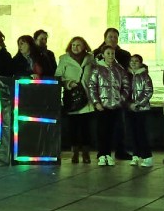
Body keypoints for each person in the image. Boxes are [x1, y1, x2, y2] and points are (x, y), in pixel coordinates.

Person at [55, 36, 96, 164]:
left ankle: (86, 153)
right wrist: (68, 83)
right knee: (73, 127)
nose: (75, 47)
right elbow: (58, 77)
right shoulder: (64, 59)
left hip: (87, 97)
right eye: (73, 45)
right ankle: (75, 153)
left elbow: (96, 75)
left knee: (86, 127)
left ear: (84, 46)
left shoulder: (90, 59)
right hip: (72, 98)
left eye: (78, 45)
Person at [86, 47, 130, 166]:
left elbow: (126, 85)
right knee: (102, 131)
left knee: (112, 131)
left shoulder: (119, 69)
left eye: (112, 53)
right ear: (103, 55)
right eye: (108, 53)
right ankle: (102, 154)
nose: (110, 55)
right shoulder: (97, 69)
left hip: (116, 105)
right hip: (102, 106)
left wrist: (121, 99)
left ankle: (109, 155)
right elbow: (92, 86)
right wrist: (96, 102)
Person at [127, 54, 153, 167]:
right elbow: (124, 91)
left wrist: (137, 104)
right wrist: (129, 104)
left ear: (141, 63)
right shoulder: (126, 76)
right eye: (131, 61)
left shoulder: (145, 76)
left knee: (142, 132)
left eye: (136, 61)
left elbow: (148, 91)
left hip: (142, 109)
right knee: (132, 133)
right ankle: (135, 155)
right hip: (130, 109)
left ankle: (147, 156)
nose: (133, 63)